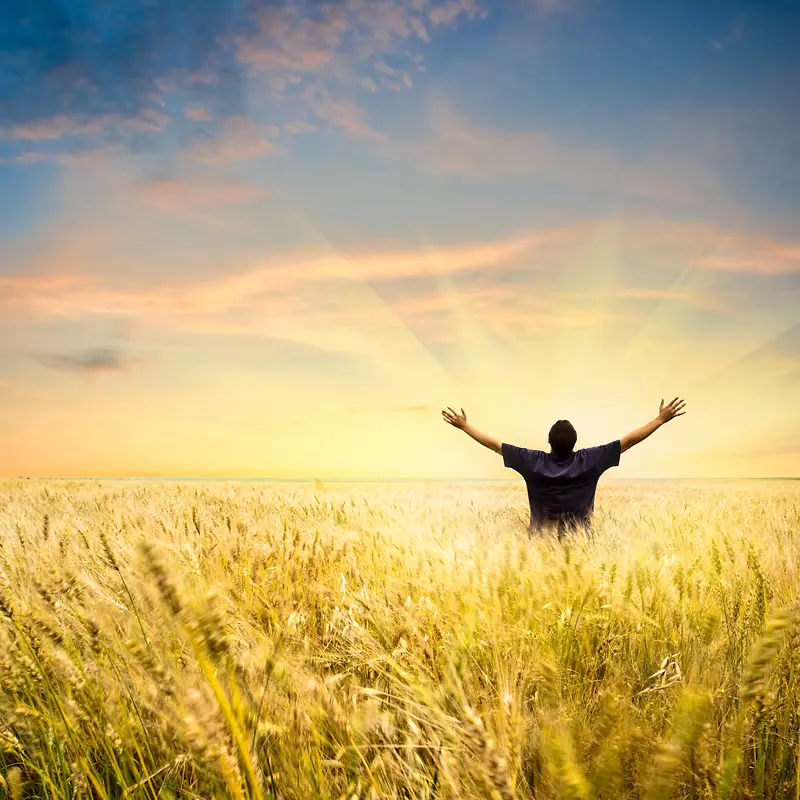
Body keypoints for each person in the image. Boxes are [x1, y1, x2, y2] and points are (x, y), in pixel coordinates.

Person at [441, 398, 687, 538]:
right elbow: (628, 442)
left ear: (549, 442)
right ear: (575, 443)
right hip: (581, 542)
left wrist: (465, 426)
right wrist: (659, 419)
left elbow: (494, 445)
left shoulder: (531, 461)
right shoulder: (590, 460)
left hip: (539, 544)